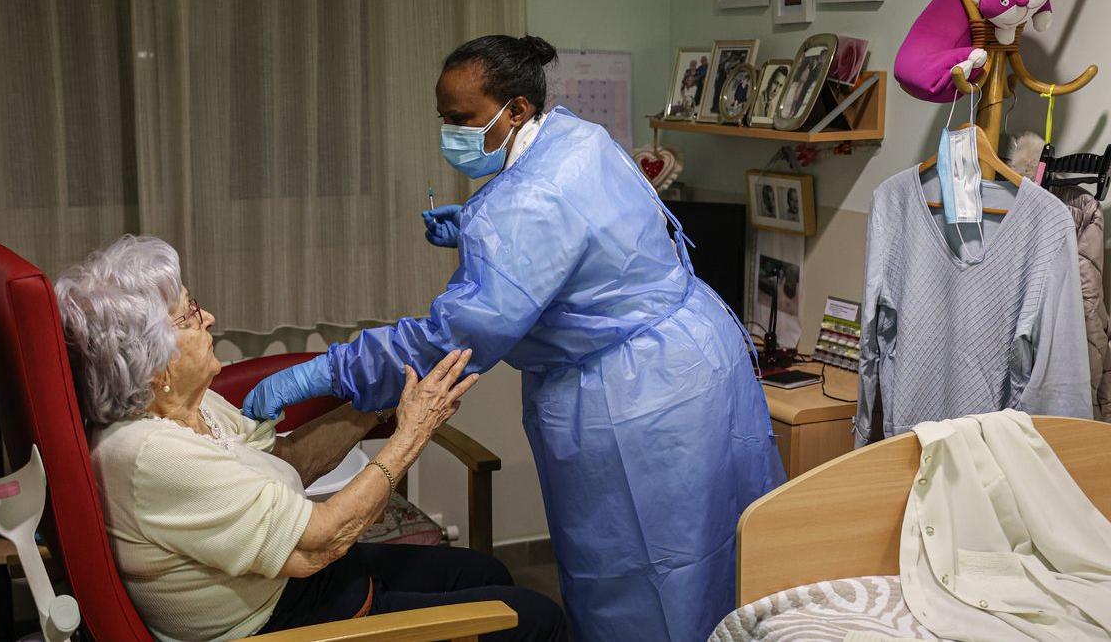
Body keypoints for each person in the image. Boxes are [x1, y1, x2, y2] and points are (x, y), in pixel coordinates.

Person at [243, 34, 783, 641]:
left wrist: (330, 370)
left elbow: (455, 335)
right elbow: (585, 229)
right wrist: (475, 222)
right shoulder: (578, 135)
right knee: (722, 540)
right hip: (695, 357)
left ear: (518, 109)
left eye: (462, 119)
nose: (450, 132)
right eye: (443, 118)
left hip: (633, 398)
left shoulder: (527, 203)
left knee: (640, 569)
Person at [55, 235, 565, 642]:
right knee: (536, 618)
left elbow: (286, 461)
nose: (208, 318)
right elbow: (320, 541)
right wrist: (412, 433)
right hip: (292, 621)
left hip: (306, 582)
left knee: (486, 569)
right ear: (157, 359)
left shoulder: (188, 405)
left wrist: (376, 409)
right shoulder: (155, 457)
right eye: (191, 315)